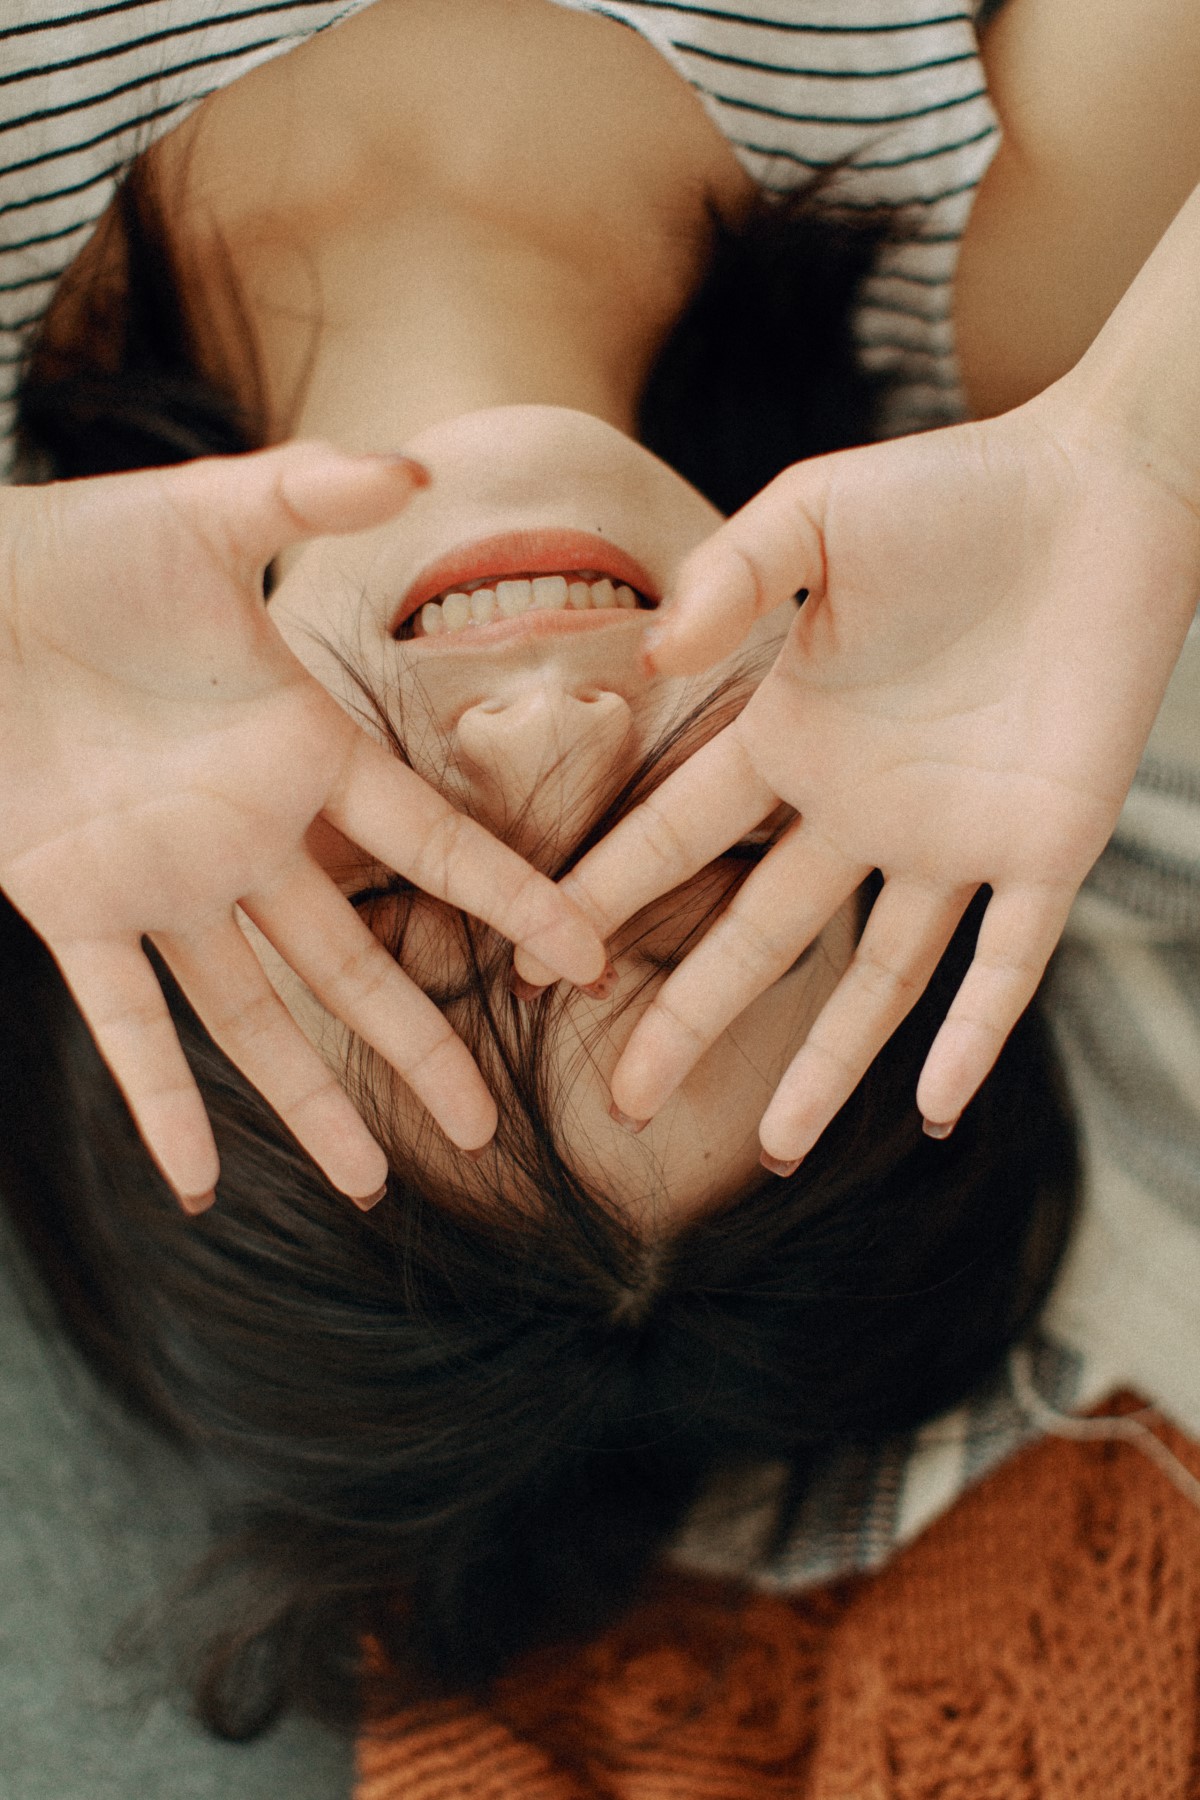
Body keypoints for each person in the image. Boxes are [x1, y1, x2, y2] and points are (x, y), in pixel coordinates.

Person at [0, 0, 1196, 1787]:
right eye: (698, 852)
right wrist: (1155, 446)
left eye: (408, 904)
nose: (549, 728)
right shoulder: (1043, 277)